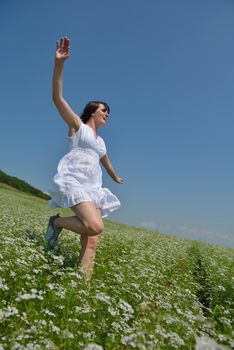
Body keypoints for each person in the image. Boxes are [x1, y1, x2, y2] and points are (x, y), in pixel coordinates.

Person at [45, 37, 123, 279]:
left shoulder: (100, 142)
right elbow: (57, 99)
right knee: (95, 226)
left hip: (94, 186)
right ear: (92, 112)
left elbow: (106, 162)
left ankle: (82, 291)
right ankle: (55, 223)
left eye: (108, 112)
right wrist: (59, 64)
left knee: (91, 241)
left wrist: (115, 177)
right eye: (103, 110)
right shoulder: (78, 128)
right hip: (75, 181)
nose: (107, 114)